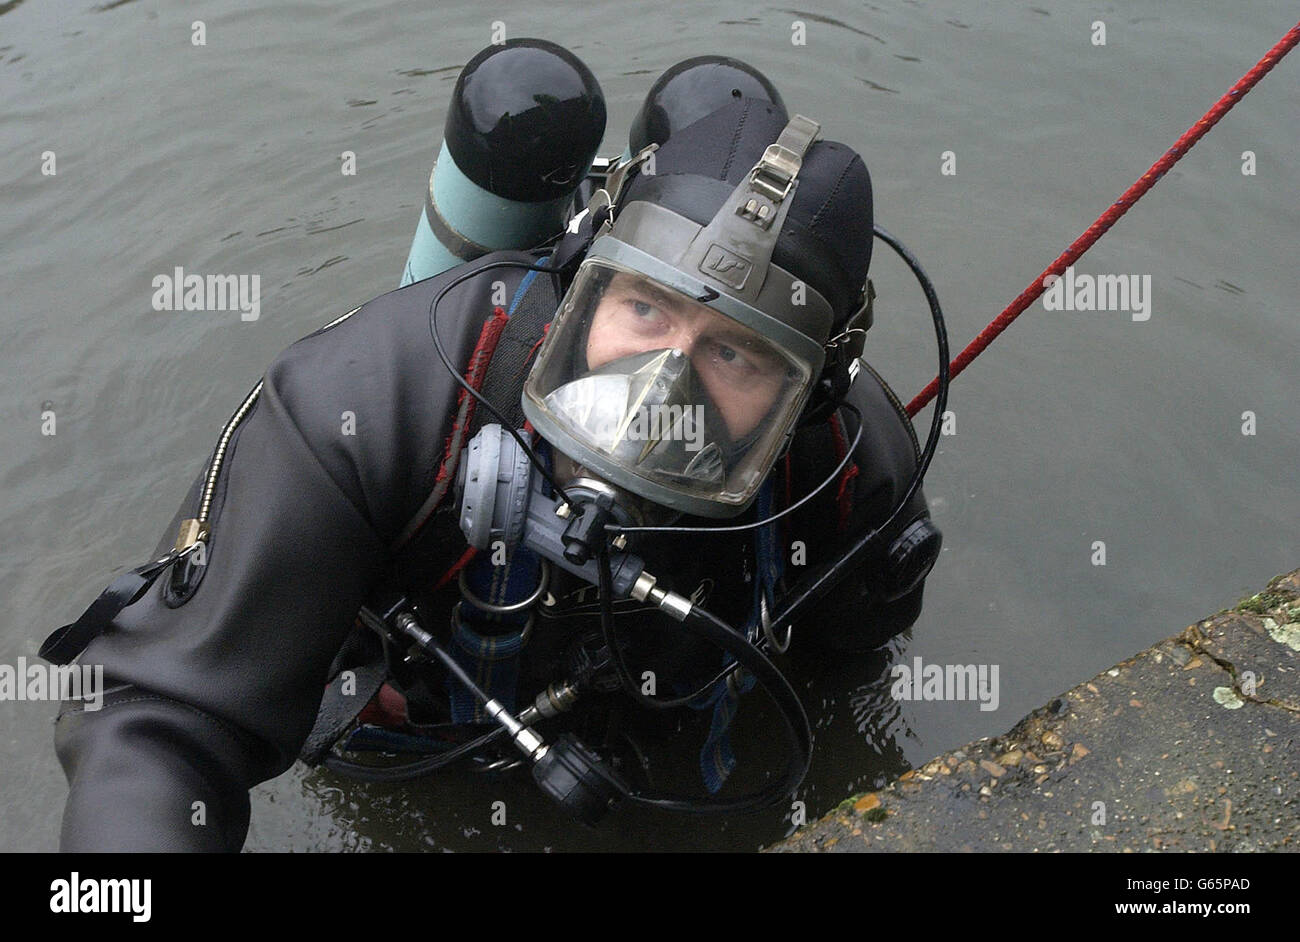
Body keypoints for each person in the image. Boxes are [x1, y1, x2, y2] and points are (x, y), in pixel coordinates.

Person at [46, 92, 938, 851]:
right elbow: (158, 723)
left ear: (815, 390)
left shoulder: (854, 466)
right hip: (422, 730)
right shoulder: (371, 407)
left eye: (737, 356)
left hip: (665, 732)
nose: (663, 385)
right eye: (641, 307)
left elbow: (850, 676)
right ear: (578, 274)